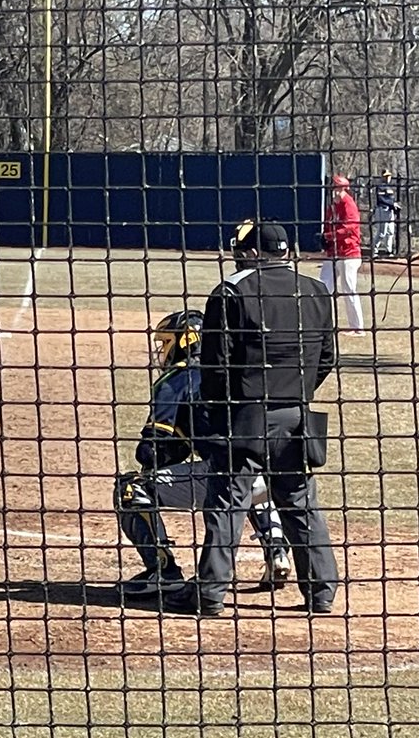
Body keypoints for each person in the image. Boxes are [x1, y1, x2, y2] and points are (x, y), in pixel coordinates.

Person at [162, 221, 340, 617]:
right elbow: (327, 357)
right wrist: (296, 391)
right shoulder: (315, 290)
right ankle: (321, 593)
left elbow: (215, 366)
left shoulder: (231, 292)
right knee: (300, 503)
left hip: (244, 416)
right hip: (297, 417)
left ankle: (209, 595)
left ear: (254, 253)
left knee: (227, 504)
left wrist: (223, 410)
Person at [115, 309, 291, 598]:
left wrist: (154, 456)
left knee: (131, 488)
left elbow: (153, 448)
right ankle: (277, 552)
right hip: (277, 473)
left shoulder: (177, 377)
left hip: (223, 476)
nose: (162, 351)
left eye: (166, 342)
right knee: (247, 475)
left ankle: (163, 572)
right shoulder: (234, 368)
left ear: (184, 342)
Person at [320, 173, 366, 336]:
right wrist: (324, 237)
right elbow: (327, 225)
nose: (334, 190)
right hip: (333, 253)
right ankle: (321, 323)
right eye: (333, 187)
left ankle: (358, 328)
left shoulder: (348, 204)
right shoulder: (332, 206)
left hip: (349, 253)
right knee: (323, 286)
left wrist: (329, 235)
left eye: (337, 187)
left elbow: (350, 228)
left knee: (348, 289)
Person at [371, 169, 400, 258]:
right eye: (386, 176)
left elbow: (391, 199)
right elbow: (381, 199)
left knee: (390, 232)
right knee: (381, 232)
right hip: (382, 210)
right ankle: (374, 251)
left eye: (389, 176)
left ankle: (389, 251)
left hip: (389, 211)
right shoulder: (380, 186)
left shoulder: (390, 187)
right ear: (382, 177)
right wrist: (392, 204)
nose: (388, 178)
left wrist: (395, 206)